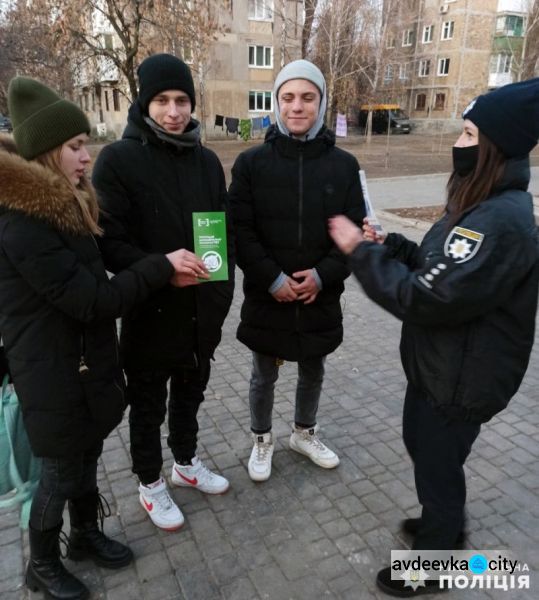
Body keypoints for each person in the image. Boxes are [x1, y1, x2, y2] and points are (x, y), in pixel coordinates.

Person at [329, 78, 539, 596]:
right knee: (424, 451)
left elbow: (427, 298)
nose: (459, 143)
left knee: (439, 469)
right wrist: (395, 246)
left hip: (463, 378)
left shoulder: (501, 219)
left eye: (469, 134)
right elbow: (441, 268)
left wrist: (361, 253)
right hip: (440, 367)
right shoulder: (479, 202)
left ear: (496, 145)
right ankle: (445, 529)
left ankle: (438, 562)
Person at [0, 77, 197, 600]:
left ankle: (85, 536)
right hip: (51, 372)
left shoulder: (65, 206)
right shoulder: (25, 223)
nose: (87, 157)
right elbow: (93, 299)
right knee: (60, 473)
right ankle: (40, 565)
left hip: (79, 365)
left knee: (86, 457)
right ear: (46, 152)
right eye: (76, 147)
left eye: (85, 144)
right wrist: (161, 267)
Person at [92, 54, 234, 531]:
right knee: (148, 404)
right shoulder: (118, 160)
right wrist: (161, 269)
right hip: (150, 309)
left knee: (190, 396)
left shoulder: (208, 161)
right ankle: (150, 481)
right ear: (144, 102)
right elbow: (109, 243)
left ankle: (185, 464)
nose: (174, 111)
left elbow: (221, 229)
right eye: (162, 100)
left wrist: (219, 295)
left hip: (199, 310)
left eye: (182, 101)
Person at [229, 60, 365, 482]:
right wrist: (272, 278)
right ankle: (262, 439)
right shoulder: (251, 164)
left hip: (318, 294)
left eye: (308, 97)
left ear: (321, 103)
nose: (297, 106)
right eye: (288, 97)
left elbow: (354, 233)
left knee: (313, 368)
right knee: (263, 372)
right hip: (268, 293)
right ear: (276, 102)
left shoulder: (344, 166)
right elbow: (240, 231)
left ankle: (304, 433)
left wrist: (323, 276)